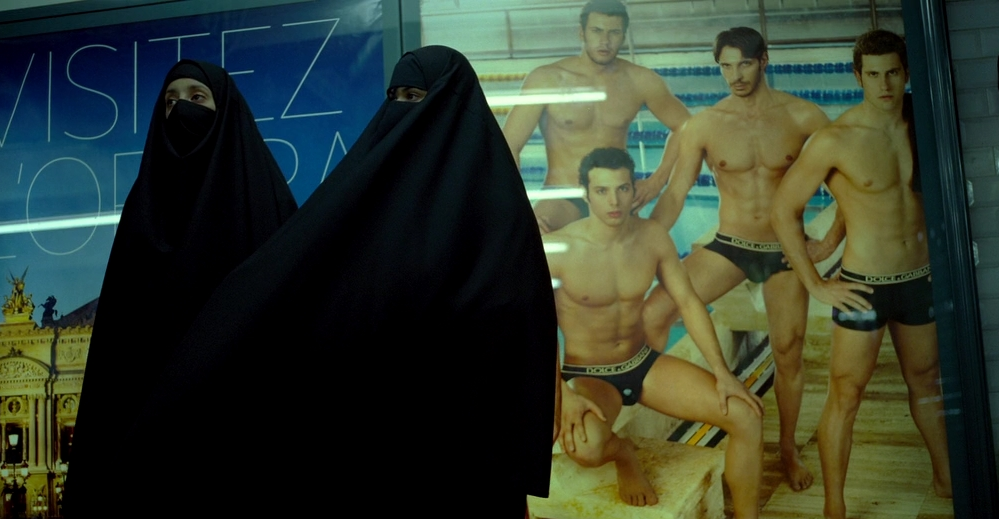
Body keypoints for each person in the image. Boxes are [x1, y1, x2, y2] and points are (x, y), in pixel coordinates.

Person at [110, 46, 557, 517]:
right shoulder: (371, 199)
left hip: (471, 445)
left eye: (415, 96)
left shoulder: (499, 211)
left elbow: (518, 318)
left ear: (452, 104)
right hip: (386, 444)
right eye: (395, 96)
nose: (402, 108)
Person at [64, 60, 299, 516]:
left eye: (197, 98)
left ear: (224, 110)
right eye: (170, 102)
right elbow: (119, 340)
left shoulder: (263, 199)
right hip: (153, 444)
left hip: (240, 430)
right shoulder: (143, 211)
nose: (182, 111)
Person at [642, 26, 839, 491]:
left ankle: (787, 449)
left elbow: (848, 183)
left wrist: (829, 243)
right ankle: (690, 394)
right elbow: (676, 195)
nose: (735, 76)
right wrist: (643, 246)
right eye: (726, 66)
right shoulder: (705, 124)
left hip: (784, 248)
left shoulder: (803, 115)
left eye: (744, 64)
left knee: (788, 352)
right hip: (732, 244)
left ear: (764, 60)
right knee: (654, 310)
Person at [771, 29, 952, 519]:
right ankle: (835, 507)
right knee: (846, 396)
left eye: (892, 72)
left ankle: (946, 480)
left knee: (927, 383)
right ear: (858, 77)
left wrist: (831, 238)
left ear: (906, 72)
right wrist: (815, 283)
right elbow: (783, 209)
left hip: (918, 278)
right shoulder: (835, 139)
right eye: (873, 74)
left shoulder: (924, 123)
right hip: (863, 288)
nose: (884, 84)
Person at [547, 146, 764, 516]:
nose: (614, 201)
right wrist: (562, 396)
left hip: (643, 363)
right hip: (590, 374)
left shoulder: (652, 237)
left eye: (622, 189)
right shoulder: (558, 249)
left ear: (635, 190)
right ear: (585, 193)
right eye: (602, 191)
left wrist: (723, 373)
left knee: (746, 416)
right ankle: (623, 453)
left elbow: (689, 303)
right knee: (586, 448)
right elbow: (536, 331)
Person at [503, 0, 690, 233]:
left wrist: (657, 181)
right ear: (581, 33)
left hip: (616, 197)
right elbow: (509, 145)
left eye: (614, 32)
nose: (605, 41)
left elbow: (689, 127)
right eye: (597, 31)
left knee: (642, 251)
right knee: (533, 236)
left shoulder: (639, 80)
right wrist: (517, 204)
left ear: (623, 36)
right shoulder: (547, 79)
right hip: (564, 195)